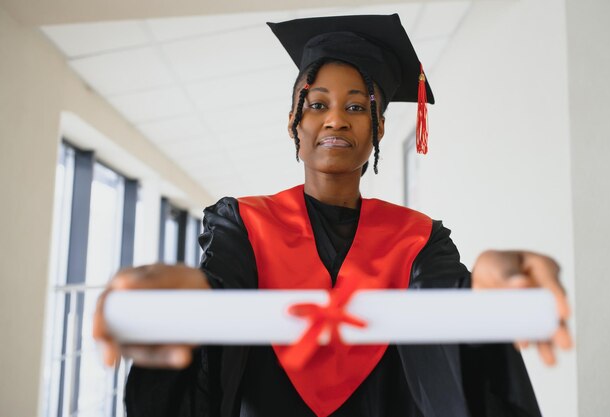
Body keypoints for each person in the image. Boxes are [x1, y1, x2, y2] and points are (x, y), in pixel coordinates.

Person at [93, 14, 572, 417]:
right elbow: (220, 290)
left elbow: (448, 304)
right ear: (293, 122)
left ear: (379, 126)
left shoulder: (418, 239)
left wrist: (482, 293)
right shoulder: (244, 223)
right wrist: (184, 303)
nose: (336, 119)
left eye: (358, 107)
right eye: (317, 104)